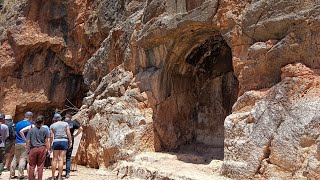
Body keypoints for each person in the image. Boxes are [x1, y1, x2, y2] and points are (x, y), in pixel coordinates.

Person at [26, 115, 50, 180]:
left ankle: (31, 178)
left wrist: (27, 148)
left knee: (32, 166)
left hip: (33, 148)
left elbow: (28, 141)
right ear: (42, 122)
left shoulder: (31, 130)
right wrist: (48, 149)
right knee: (40, 166)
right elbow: (46, 141)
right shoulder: (45, 130)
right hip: (42, 148)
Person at [10, 111, 33, 179]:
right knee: (23, 158)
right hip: (25, 143)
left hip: (17, 142)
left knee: (15, 158)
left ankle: (12, 174)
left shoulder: (18, 123)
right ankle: (20, 175)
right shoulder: (29, 124)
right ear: (30, 117)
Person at [50, 113, 72, 180]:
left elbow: (51, 136)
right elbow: (68, 133)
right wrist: (70, 141)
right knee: (61, 159)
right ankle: (59, 177)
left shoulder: (52, 125)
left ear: (54, 118)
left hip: (56, 141)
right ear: (60, 118)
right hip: (64, 141)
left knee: (54, 159)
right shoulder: (65, 124)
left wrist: (51, 144)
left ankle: (53, 177)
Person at [65, 113, 82, 178]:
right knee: (68, 158)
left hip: (63, 139)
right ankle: (67, 173)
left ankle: (59, 173)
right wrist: (75, 135)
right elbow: (81, 128)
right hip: (70, 140)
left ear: (66, 117)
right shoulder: (73, 123)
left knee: (60, 158)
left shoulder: (63, 123)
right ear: (71, 117)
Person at [0, 114, 9, 178]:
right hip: (2, 145)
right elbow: (6, 136)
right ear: (2, 119)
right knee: (0, 161)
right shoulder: (5, 126)